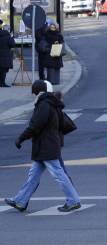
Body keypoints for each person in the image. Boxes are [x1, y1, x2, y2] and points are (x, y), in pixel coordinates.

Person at [4, 80, 81, 212]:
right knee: (33, 176)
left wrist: (21, 138)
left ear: (38, 92)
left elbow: (35, 126)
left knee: (58, 174)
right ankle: (20, 201)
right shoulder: (52, 103)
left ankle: (73, 200)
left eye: (34, 92)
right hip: (46, 146)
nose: (34, 96)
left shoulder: (44, 105)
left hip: (46, 147)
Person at [0, 19, 16, 87]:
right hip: (5, 56)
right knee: (4, 70)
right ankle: (2, 83)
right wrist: (12, 37)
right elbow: (12, 45)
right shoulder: (7, 36)